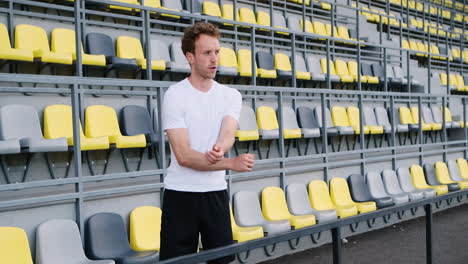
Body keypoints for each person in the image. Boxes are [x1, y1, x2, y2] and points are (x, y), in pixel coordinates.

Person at [160, 21, 255, 263]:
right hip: (180, 195)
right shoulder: (174, 95)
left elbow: (228, 131)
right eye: (206, 53)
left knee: (222, 261)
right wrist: (229, 163)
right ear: (190, 57)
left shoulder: (231, 95)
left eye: (216, 52)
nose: (214, 59)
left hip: (215, 194)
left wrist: (220, 148)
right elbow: (183, 155)